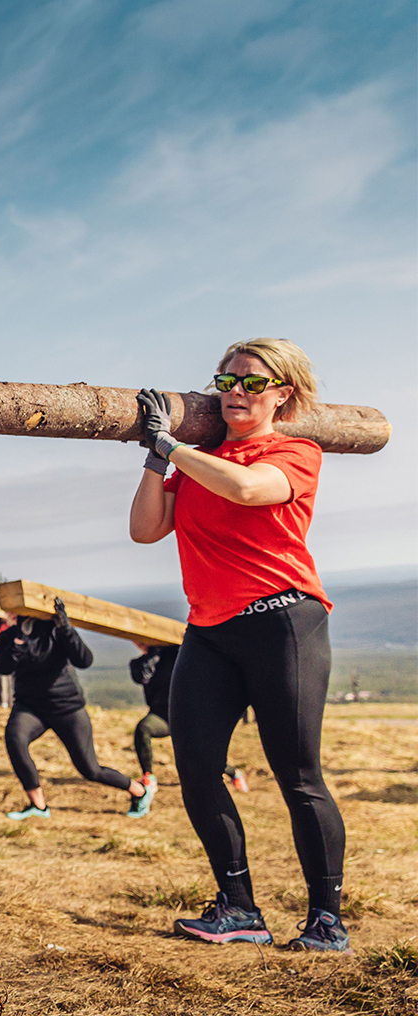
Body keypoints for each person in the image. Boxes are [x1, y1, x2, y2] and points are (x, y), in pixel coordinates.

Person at [129, 338, 346, 952]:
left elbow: (249, 490)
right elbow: (145, 530)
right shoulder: (200, 461)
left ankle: (326, 920)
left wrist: (172, 446)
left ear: (283, 394)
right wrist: (155, 457)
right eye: (226, 382)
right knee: (195, 768)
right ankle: (239, 909)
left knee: (297, 775)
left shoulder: (294, 452)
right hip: (208, 631)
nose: (236, 393)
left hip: (284, 623)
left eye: (252, 382)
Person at [0, 598, 149, 821]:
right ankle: (38, 806)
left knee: (90, 769)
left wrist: (65, 628)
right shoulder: (10, 637)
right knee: (15, 739)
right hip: (30, 707)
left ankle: (139, 791)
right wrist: (19, 641)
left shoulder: (54, 631)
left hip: (66, 706)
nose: (13, 615)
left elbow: (84, 660)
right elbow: (2, 667)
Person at [127, 641, 249, 820]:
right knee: (143, 728)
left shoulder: (177, 654)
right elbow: (142, 677)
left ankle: (233, 773)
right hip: (161, 715)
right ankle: (148, 778)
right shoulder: (140, 663)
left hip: (187, 714)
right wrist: (151, 655)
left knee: (198, 756)